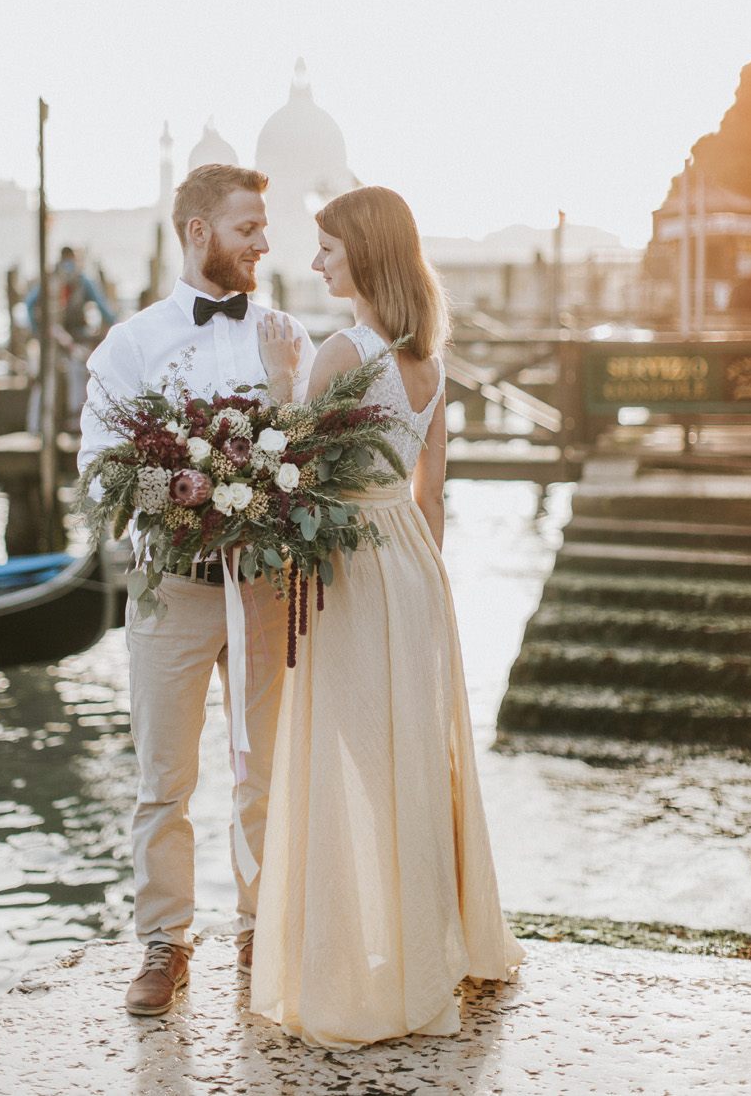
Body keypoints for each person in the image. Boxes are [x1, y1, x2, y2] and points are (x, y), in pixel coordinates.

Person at [251, 186, 524, 1049]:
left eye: (326, 246)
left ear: (362, 253)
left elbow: (289, 472)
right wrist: (426, 589)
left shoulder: (339, 352)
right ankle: (426, 947)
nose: (314, 260)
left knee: (346, 767)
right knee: (410, 761)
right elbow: (430, 495)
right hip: (412, 566)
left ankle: (356, 966)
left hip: (352, 567)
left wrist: (275, 379)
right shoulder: (429, 364)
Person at [78, 164, 315, 1017]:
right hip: (171, 590)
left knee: (265, 773)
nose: (262, 241)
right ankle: (164, 943)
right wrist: (178, 494)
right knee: (162, 779)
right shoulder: (131, 343)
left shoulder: (288, 333)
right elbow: (98, 466)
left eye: (263, 226)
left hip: (265, 588)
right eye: (247, 226)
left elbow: (316, 458)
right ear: (197, 232)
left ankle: (261, 928)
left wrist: (285, 412)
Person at [26, 246, 117, 427]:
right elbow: (104, 307)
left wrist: (37, 330)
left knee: (49, 379)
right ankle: (73, 420)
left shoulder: (60, 280)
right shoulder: (79, 280)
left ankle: (39, 425)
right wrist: (116, 327)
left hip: (63, 337)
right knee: (72, 373)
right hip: (63, 337)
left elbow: (29, 305)